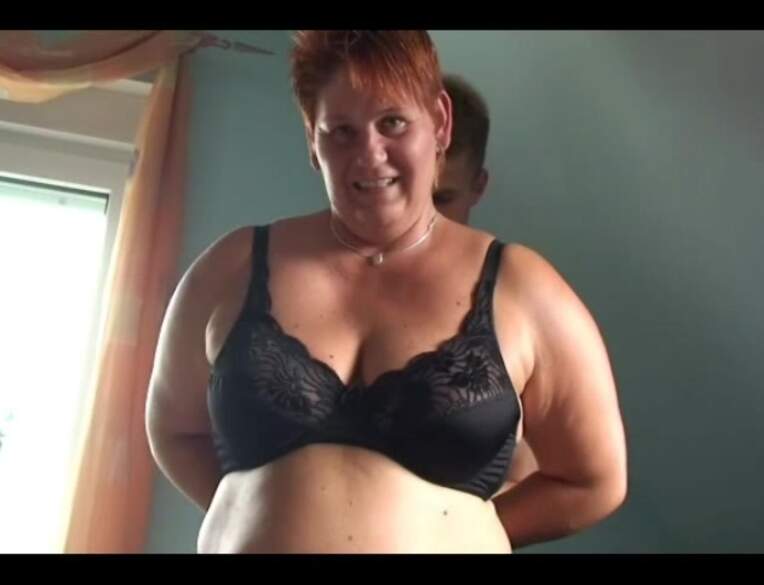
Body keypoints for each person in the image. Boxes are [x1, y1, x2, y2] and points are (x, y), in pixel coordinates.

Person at [146, 30, 626, 554]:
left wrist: (465, 535)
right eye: (341, 131)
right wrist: (256, 515)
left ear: (439, 122)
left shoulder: (523, 288)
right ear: (311, 140)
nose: (369, 155)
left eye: (392, 123)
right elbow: (173, 429)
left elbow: (593, 480)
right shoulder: (231, 267)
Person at [435, 73, 540, 492]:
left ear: (478, 187)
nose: (422, 216)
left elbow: (537, 470)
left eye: (442, 198)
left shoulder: (514, 300)